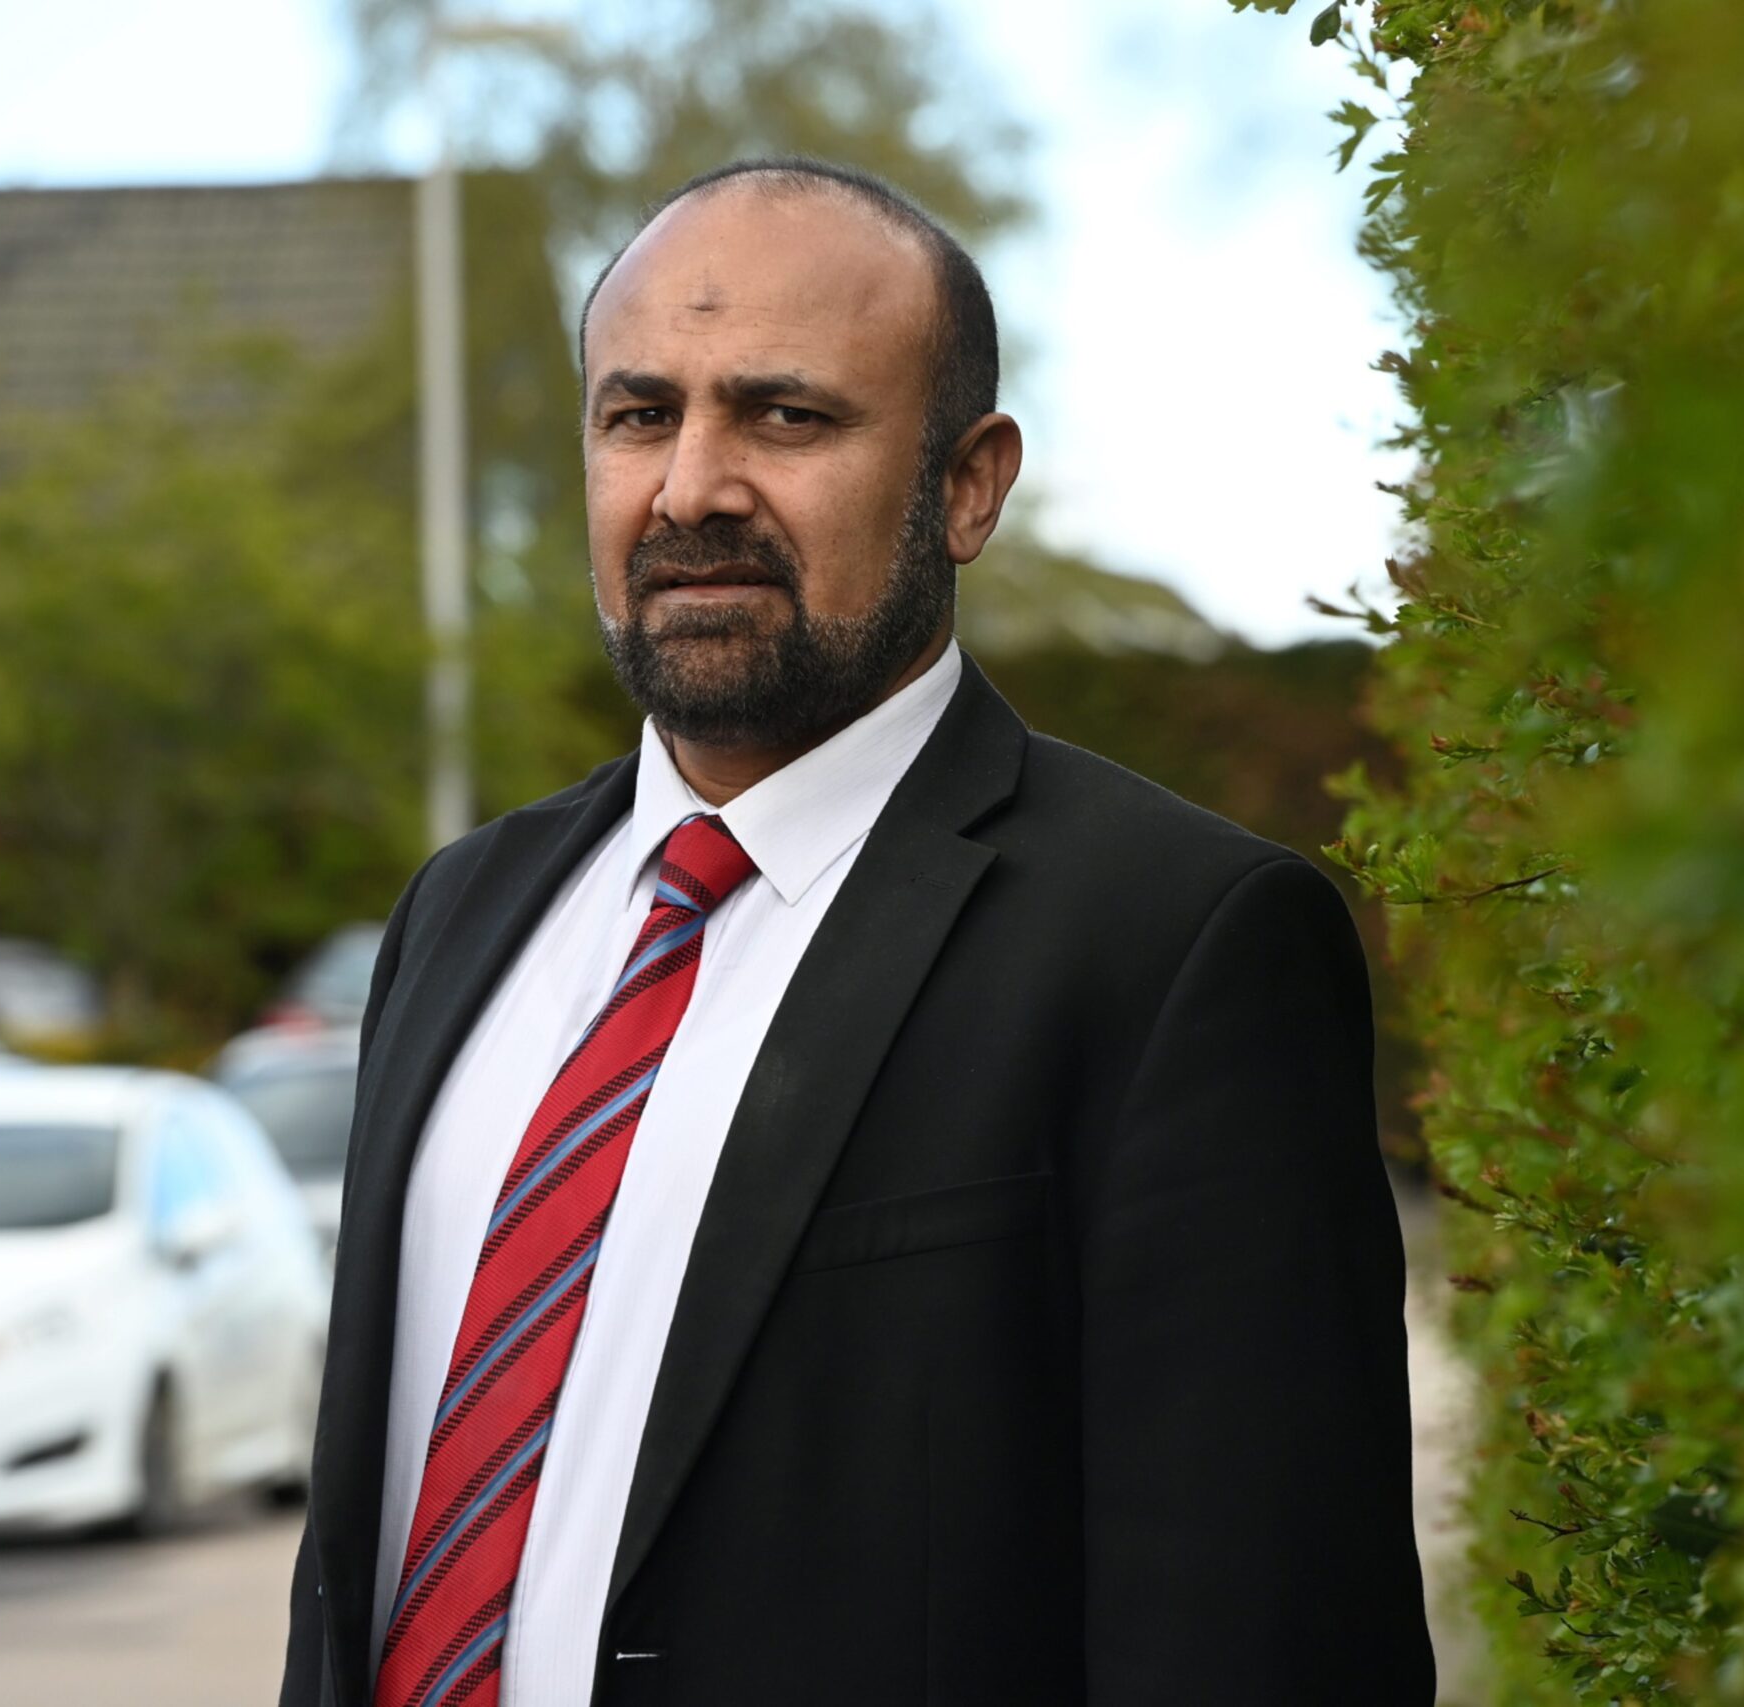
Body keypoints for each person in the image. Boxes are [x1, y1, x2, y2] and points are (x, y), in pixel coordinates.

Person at [278, 158, 1431, 1707]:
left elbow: (1270, 1639)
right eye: (638, 417)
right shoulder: (460, 916)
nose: (690, 488)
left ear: (969, 484)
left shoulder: (1175, 946)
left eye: (785, 416)